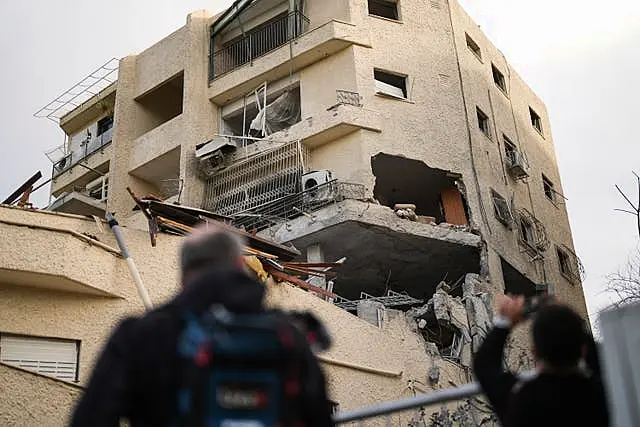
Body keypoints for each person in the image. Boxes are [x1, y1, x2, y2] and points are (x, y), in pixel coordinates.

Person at [71, 226, 333, 427]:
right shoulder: (290, 337)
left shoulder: (142, 335)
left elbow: (90, 419)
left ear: (184, 277)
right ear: (240, 266)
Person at [473, 295, 609, 427]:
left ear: (534, 352)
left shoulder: (522, 402)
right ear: (583, 349)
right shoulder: (603, 396)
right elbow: (604, 360)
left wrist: (504, 321)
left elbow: (485, 365)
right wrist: (563, 317)